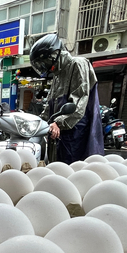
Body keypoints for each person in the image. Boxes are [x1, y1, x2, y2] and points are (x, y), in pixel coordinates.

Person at [30, 34, 104, 163]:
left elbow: (79, 99)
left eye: (44, 63)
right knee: (56, 165)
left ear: (54, 55)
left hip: (75, 130)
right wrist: (36, 122)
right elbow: (49, 105)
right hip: (57, 132)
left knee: (72, 168)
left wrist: (59, 122)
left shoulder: (78, 64)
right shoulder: (57, 76)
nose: (44, 67)